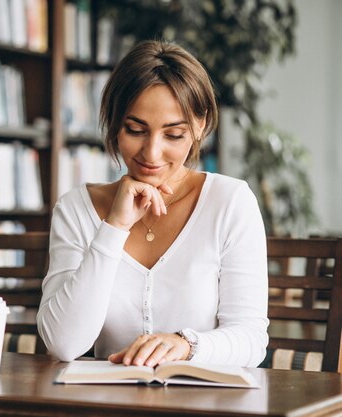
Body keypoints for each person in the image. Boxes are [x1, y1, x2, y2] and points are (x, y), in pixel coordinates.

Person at [37, 40, 268, 367]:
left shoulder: (231, 203)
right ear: (116, 124)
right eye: (135, 130)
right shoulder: (76, 209)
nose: (151, 153)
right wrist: (114, 227)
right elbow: (63, 344)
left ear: (200, 127)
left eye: (173, 135)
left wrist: (186, 346)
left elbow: (251, 339)